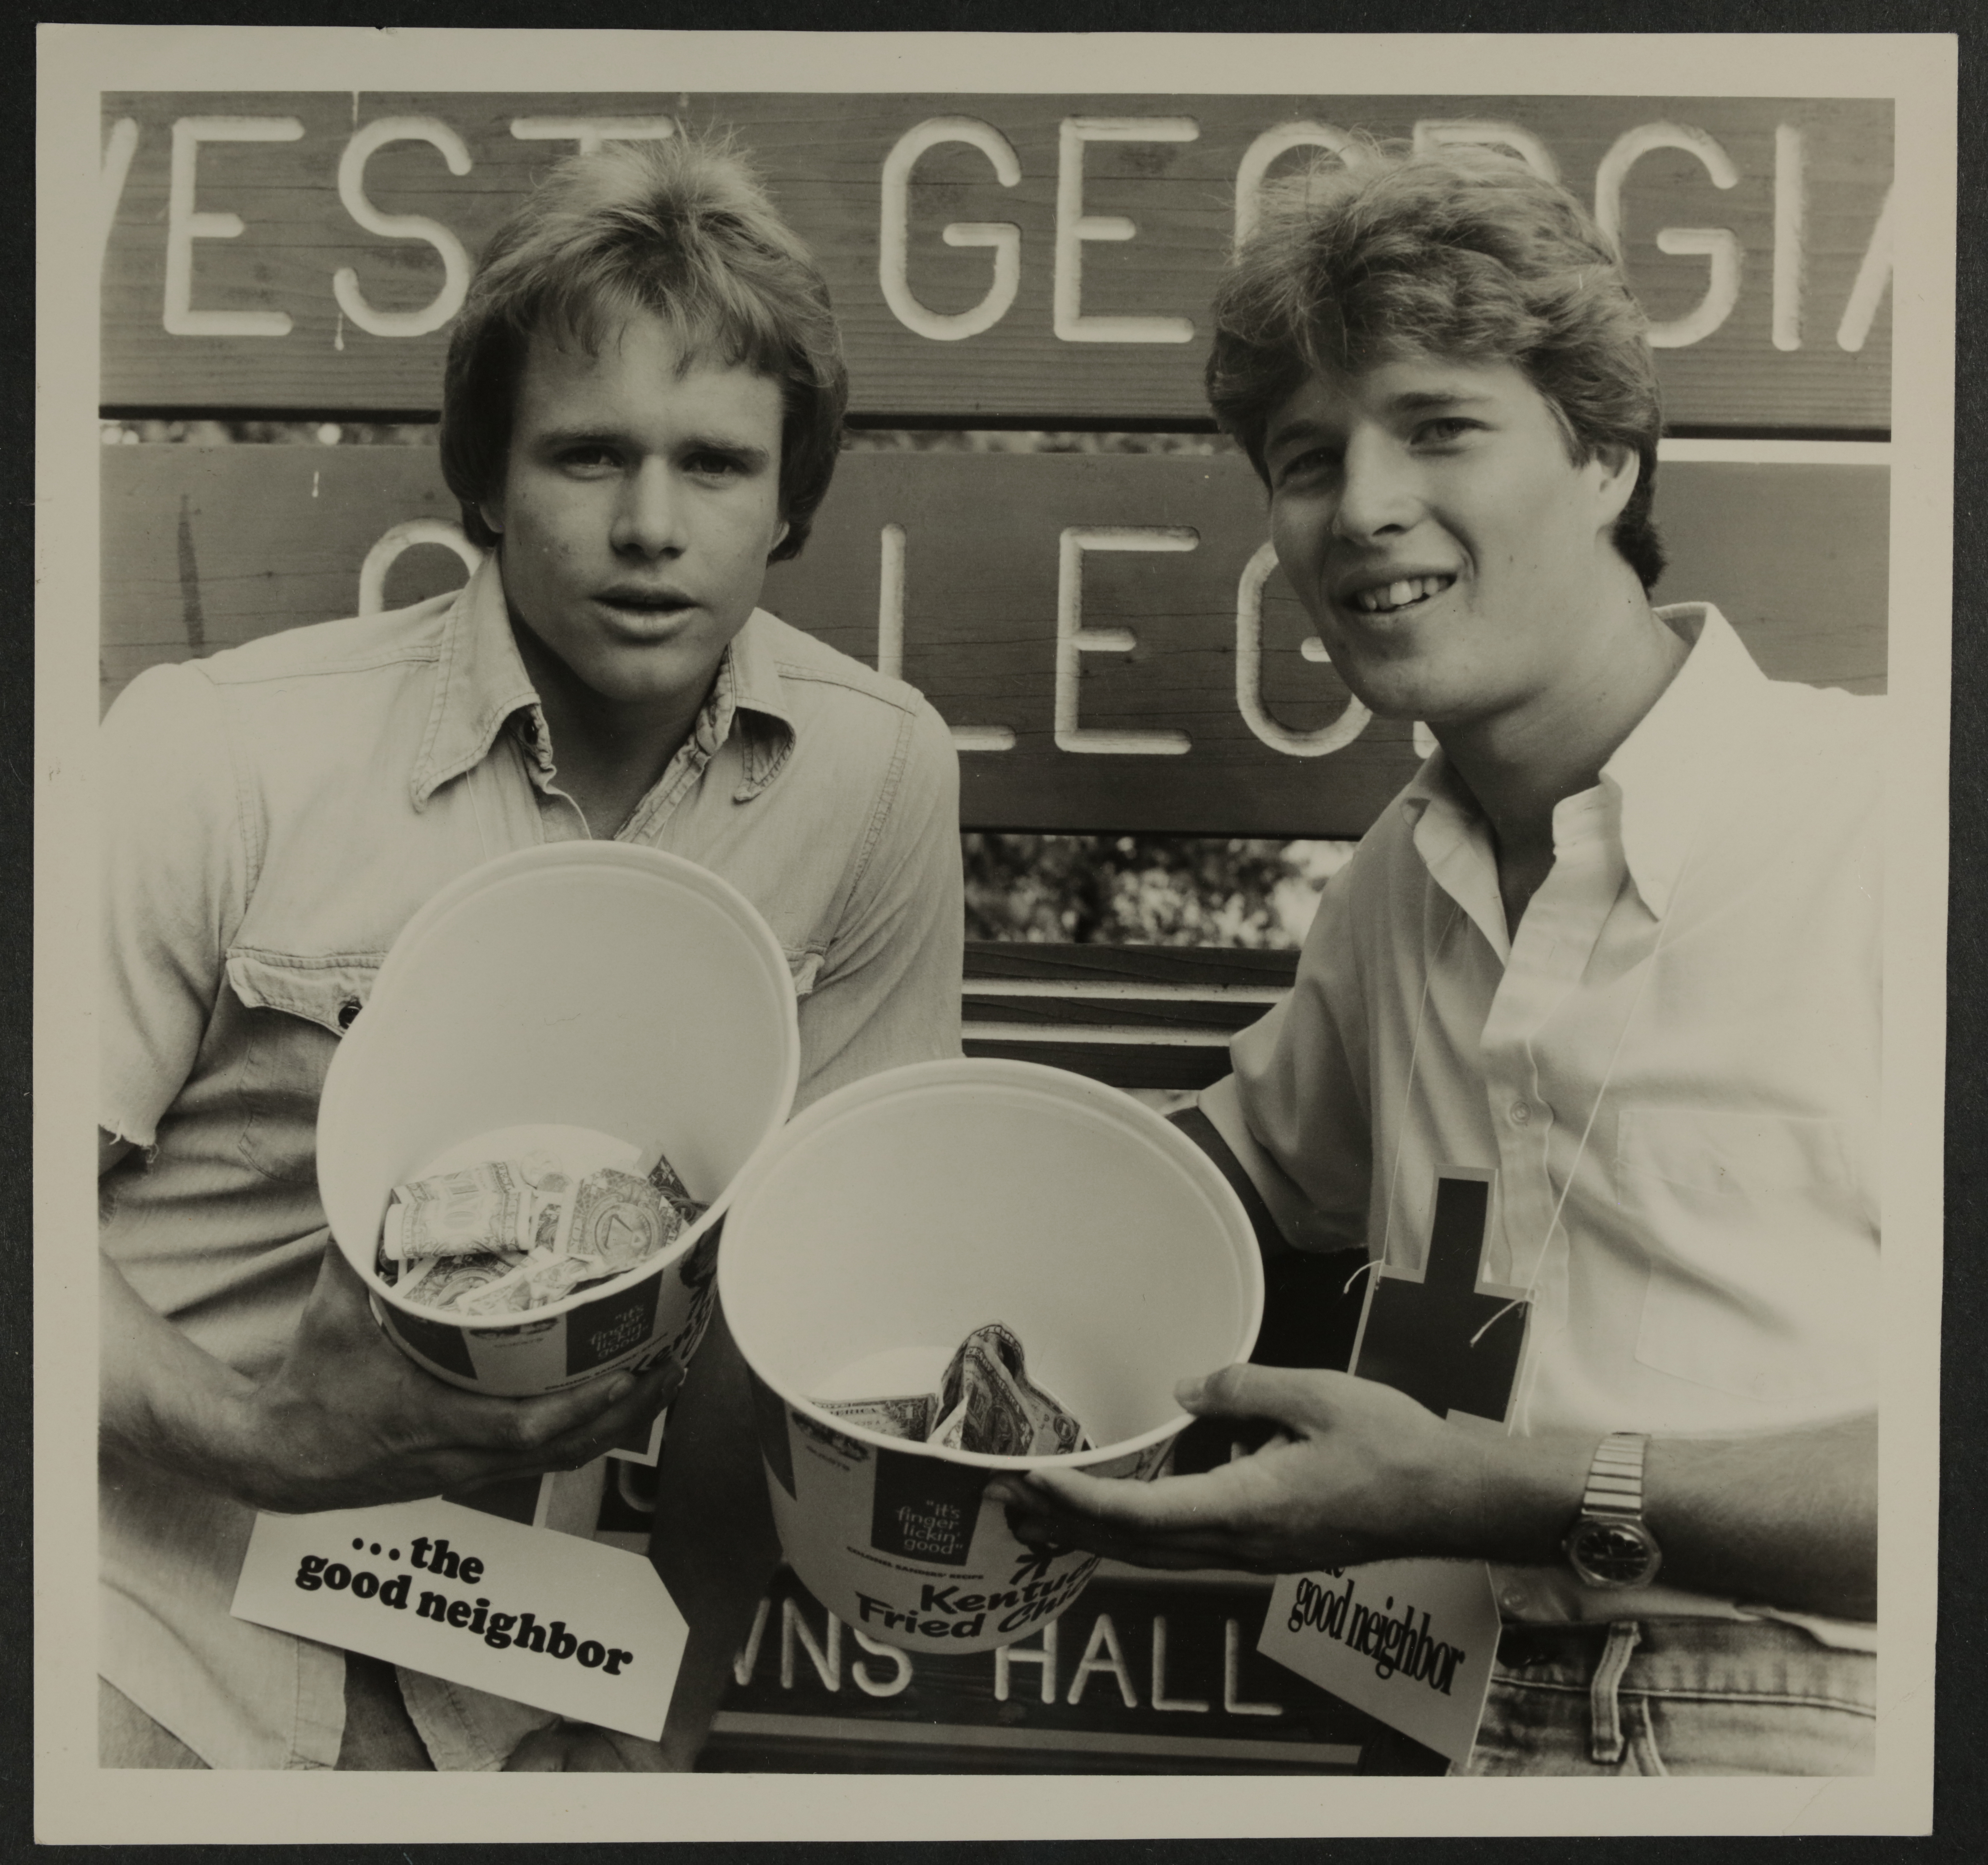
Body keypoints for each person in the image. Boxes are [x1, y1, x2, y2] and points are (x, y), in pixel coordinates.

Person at [990, 142, 1879, 1776]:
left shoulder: (1892, 822)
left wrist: (1494, 1487)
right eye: (1306, 455)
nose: (1365, 505)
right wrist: (878, 1237)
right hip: (1442, 1723)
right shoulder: (1403, 876)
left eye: (1440, 426)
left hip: (1813, 1733)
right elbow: (1216, 1178)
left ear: (1606, 452)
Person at [98, 135, 963, 1771]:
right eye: (586, 457)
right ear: (486, 479)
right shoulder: (219, 745)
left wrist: (665, 1710)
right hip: (138, 1601)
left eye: (713, 463)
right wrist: (267, 1438)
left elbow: (797, 1296)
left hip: (501, 1670)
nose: (650, 526)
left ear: (791, 497)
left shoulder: (874, 777)